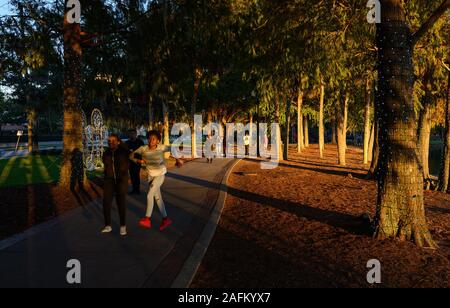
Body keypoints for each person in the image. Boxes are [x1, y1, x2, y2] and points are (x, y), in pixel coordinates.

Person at [130, 130, 184, 231]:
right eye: (149, 138)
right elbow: (131, 155)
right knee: (158, 198)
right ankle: (165, 219)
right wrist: (138, 160)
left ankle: (147, 218)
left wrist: (177, 159)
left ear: (158, 141)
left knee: (149, 195)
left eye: (153, 139)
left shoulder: (161, 147)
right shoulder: (143, 148)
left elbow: (173, 148)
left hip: (160, 175)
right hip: (150, 176)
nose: (151, 140)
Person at [102, 134, 129, 236]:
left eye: (113, 140)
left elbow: (131, 160)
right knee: (106, 202)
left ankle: (123, 226)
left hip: (121, 180)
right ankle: (108, 225)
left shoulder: (124, 152)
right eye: (109, 141)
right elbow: (105, 165)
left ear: (118, 142)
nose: (111, 142)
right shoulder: (106, 153)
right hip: (109, 180)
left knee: (120, 202)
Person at [126, 129, 144, 195]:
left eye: (133, 134)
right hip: (130, 162)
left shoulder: (140, 142)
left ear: (136, 134)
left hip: (137, 161)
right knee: (132, 176)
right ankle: (134, 189)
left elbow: (143, 151)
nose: (132, 135)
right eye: (130, 133)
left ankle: (137, 189)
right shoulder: (127, 142)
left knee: (136, 175)